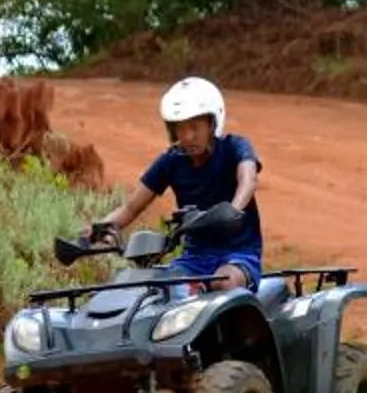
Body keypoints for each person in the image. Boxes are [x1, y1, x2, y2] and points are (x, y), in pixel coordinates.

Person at [93, 76, 265, 290]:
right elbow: (130, 207)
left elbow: (247, 178)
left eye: (195, 127)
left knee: (223, 283)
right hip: (193, 259)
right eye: (180, 129)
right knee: (151, 290)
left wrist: (233, 210)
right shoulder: (171, 161)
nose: (187, 136)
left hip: (238, 255)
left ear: (212, 123)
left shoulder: (234, 147)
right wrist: (98, 231)